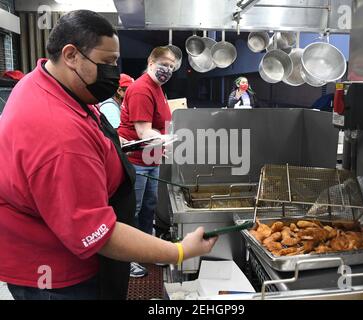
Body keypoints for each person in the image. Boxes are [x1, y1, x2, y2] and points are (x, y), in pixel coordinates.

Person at [0, 10, 216, 300]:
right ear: (71, 55)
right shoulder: (60, 136)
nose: (113, 72)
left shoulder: (54, 84)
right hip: (56, 275)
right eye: (106, 62)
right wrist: (179, 251)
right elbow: (98, 233)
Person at [118, 46, 175, 277]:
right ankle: (127, 259)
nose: (168, 70)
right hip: (136, 160)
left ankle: (147, 251)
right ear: (151, 62)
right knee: (134, 208)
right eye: (164, 64)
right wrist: (169, 139)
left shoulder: (158, 88)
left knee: (149, 207)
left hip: (151, 158)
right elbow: (143, 132)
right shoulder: (142, 89)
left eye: (172, 66)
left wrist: (163, 143)